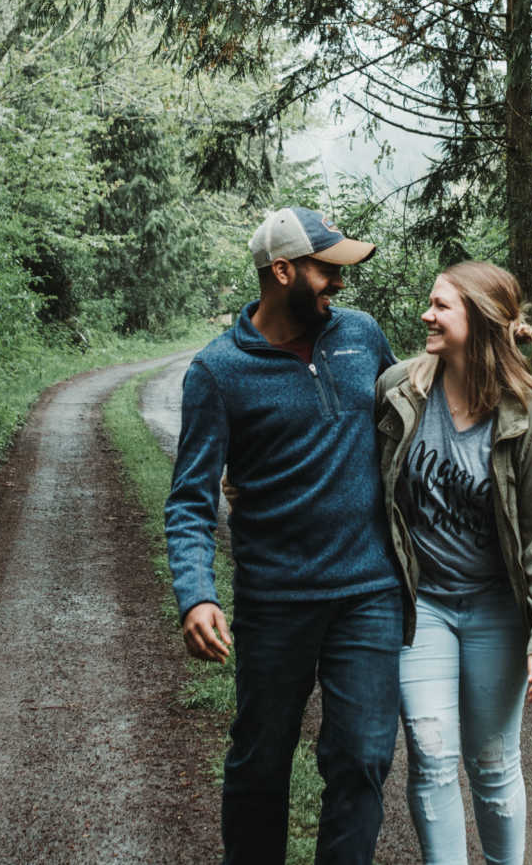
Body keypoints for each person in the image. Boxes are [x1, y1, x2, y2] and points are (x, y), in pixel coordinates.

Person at [164, 206, 403, 865]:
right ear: (283, 270)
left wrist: (490, 344)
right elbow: (189, 499)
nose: (340, 285)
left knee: (361, 760)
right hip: (277, 600)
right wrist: (196, 594)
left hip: (369, 592)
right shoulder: (217, 372)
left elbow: (417, 409)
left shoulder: (362, 336)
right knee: (260, 765)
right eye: (329, 271)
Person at [375, 260, 532, 865]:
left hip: (495, 610)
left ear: (481, 322)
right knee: (432, 756)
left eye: (441, 307)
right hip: (422, 602)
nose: (426, 316)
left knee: (491, 761)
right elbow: (354, 475)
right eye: (429, 304)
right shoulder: (400, 390)